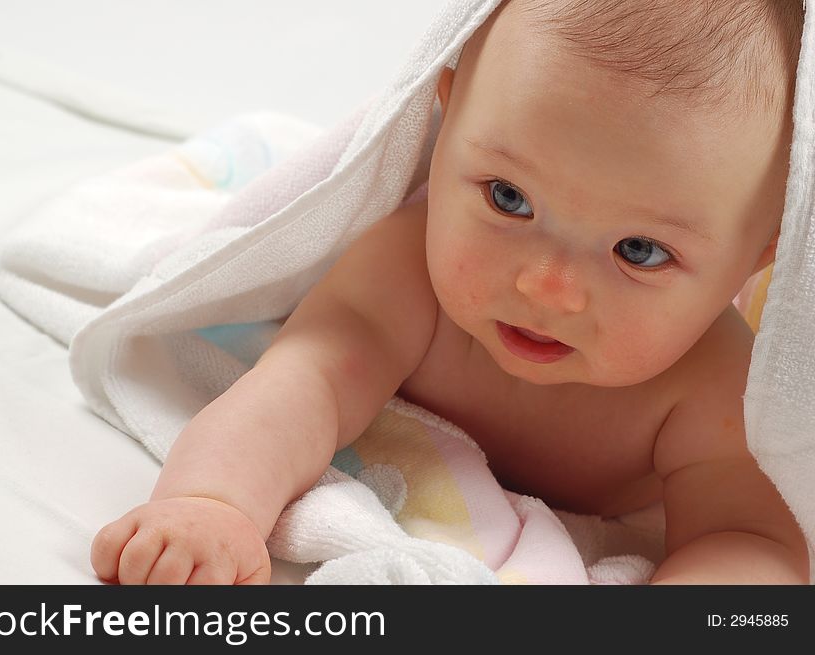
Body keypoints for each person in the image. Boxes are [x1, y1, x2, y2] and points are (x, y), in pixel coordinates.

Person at [90, 0, 810, 584]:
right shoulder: (405, 272)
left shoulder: (714, 386)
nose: (546, 288)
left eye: (639, 251)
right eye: (508, 198)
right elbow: (300, 382)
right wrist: (215, 501)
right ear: (447, 112)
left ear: (757, 252)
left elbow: (751, 541)